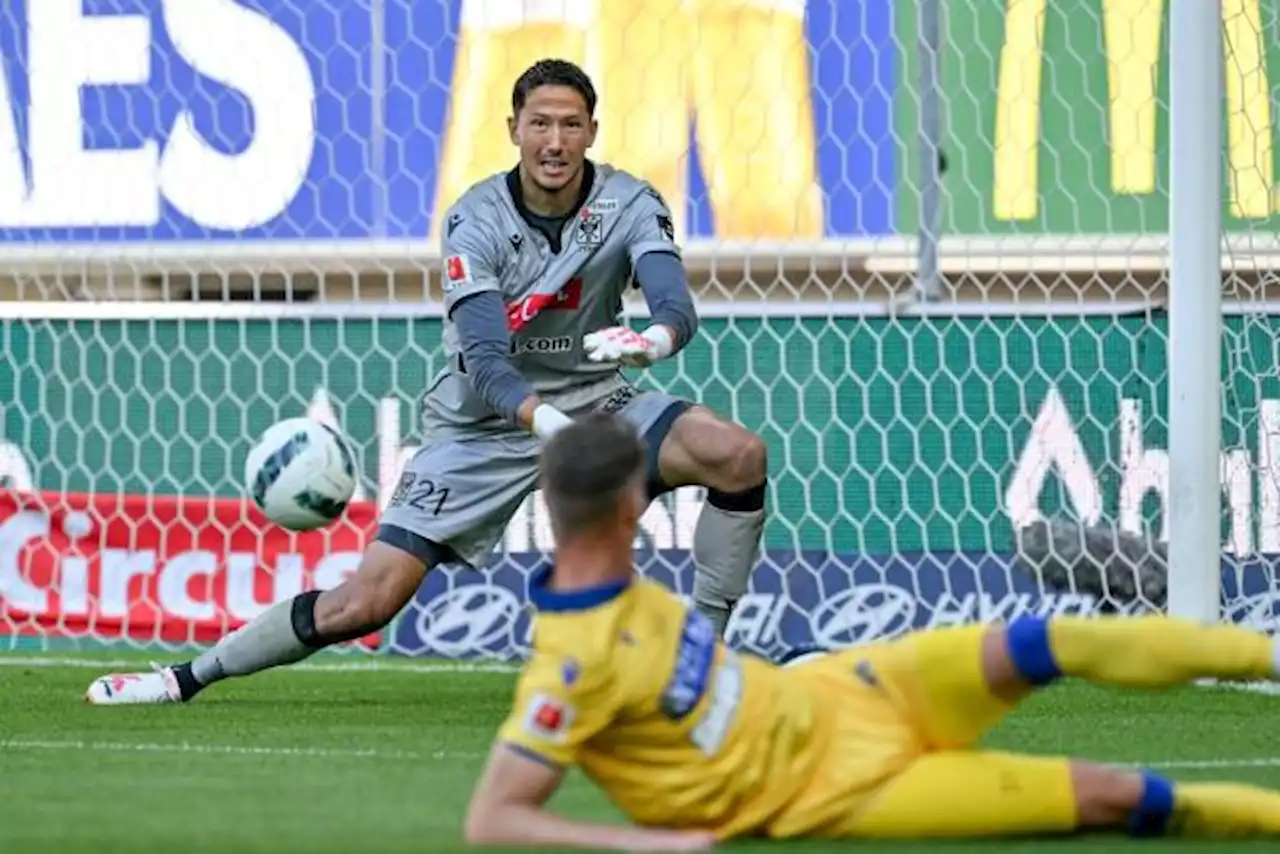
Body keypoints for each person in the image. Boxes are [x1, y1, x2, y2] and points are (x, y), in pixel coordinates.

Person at [85, 59, 767, 706]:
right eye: (539, 123)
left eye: (569, 125)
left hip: (598, 401)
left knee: (736, 455)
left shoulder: (629, 202)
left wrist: (653, 340)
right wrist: (550, 427)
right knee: (364, 604)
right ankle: (182, 679)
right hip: (483, 427)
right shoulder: (476, 220)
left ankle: (700, 653)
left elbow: (675, 304)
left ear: (592, 131)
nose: (554, 141)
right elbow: (487, 360)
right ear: (513, 130)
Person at [464, 411, 1280, 850]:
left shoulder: (630, 593)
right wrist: (644, 847)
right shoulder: (569, 670)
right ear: (630, 506)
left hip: (850, 689)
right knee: (1116, 795)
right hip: (837, 793)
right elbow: (493, 819)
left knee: (1042, 641)